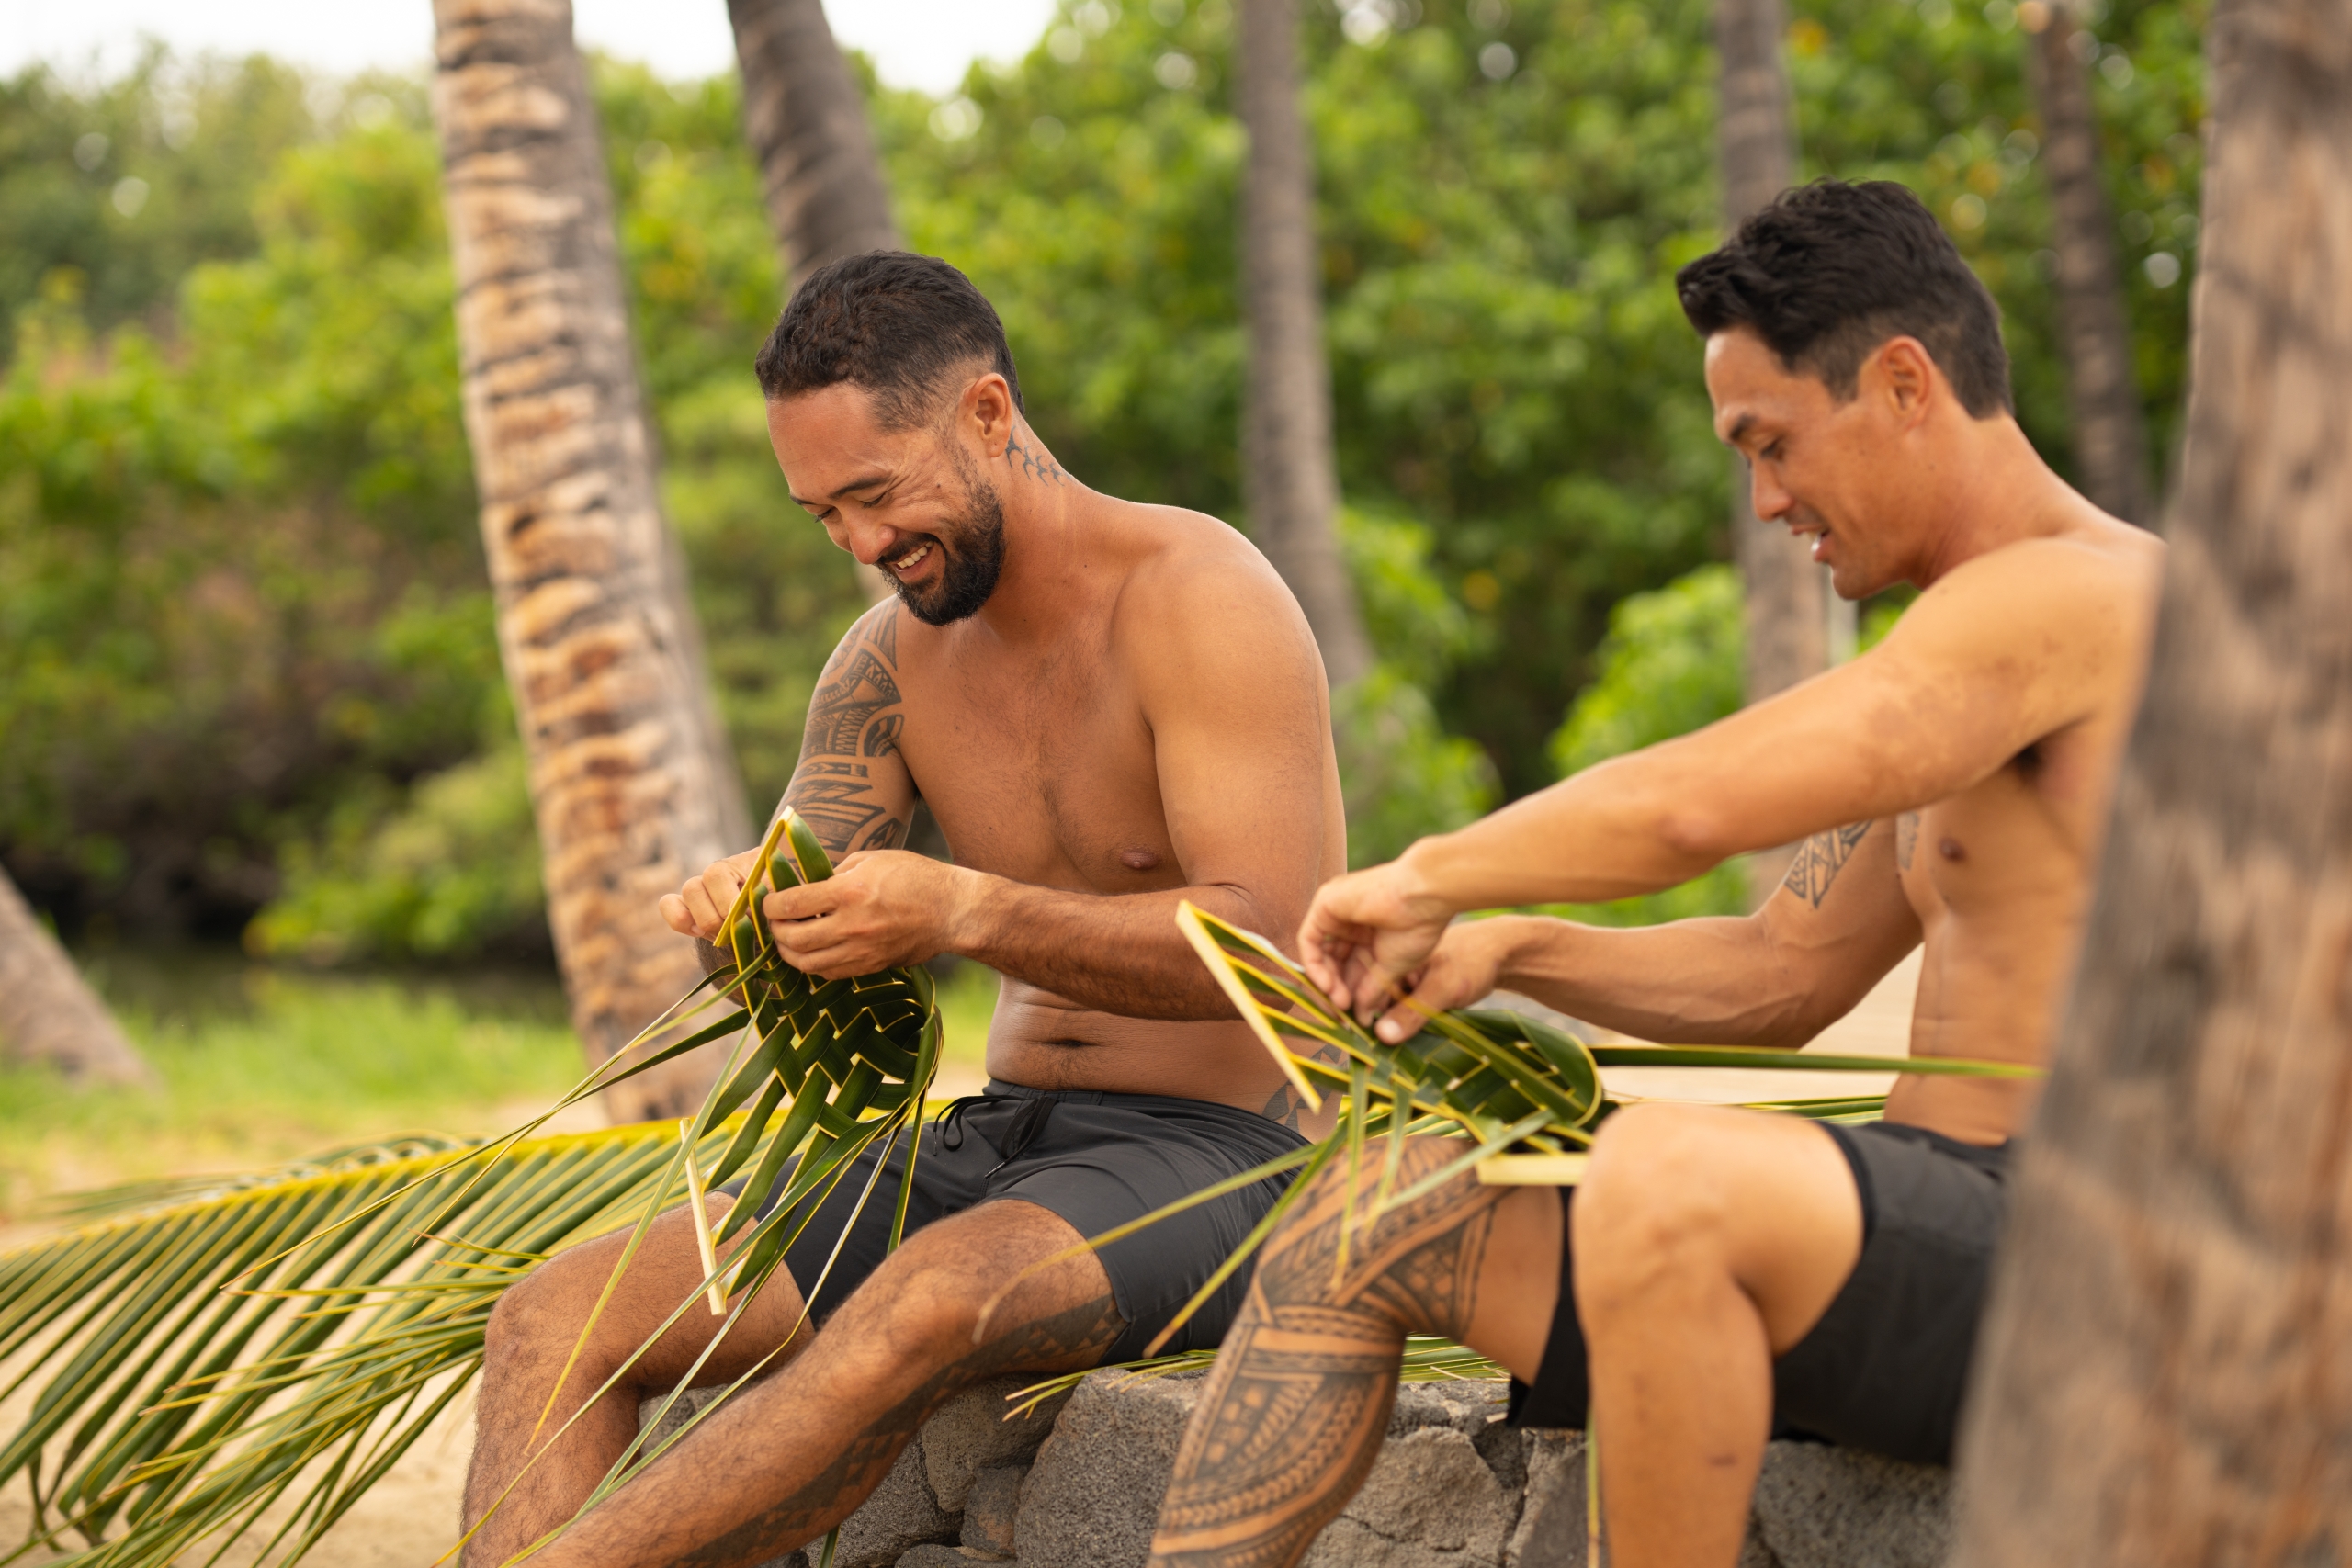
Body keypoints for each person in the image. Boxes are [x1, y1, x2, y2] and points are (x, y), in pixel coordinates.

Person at [1144, 179, 2165, 1568]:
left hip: (2099, 1259)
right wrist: (1515, 950)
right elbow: (1782, 971)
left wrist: (1433, 874)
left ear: (1905, 383)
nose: (1765, 501)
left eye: (1773, 443)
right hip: (1924, 1233)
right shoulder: (1959, 663)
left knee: (1669, 1181)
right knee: (1368, 1208)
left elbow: (1692, 808)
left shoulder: (2085, 597)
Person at [461, 251, 1348, 1568]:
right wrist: (742, 934)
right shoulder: (882, 661)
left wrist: (968, 911)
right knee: (557, 1315)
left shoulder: (1200, 599)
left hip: (1231, 1149)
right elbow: (809, 947)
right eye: (822, 514)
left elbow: (1266, 958)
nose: (863, 545)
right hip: (998, 1143)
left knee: (926, 1294)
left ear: (987, 415)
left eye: (875, 493)